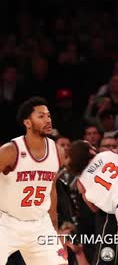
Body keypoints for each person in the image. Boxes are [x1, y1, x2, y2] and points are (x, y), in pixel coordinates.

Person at [0, 97, 68, 264]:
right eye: (41, 116)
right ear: (27, 123)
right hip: (6, 222)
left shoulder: (57, 151)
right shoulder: (10, 151)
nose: (48, 120)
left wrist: (55, 229)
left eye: (49, 116)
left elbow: (51, 190)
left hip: (40, 224)